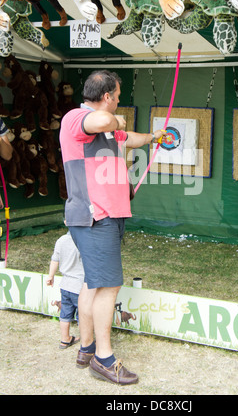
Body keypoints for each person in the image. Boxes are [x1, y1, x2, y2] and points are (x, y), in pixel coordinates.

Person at [59, 70, 166, 385]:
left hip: (107, 215)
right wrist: (116, 120)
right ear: (106, 97)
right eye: (117, 97)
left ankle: (87, 347)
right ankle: (103, 360)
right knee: (108, 286)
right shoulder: (77, 118)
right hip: (96, 216)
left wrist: (152, 138)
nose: (118, 102)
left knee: (93, 283)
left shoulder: (106, 130)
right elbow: (104, 122)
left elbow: (129, 138)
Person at [46, 230, 84, 349]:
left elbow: (54, 260)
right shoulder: (83, 240)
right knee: (83, 316)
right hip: (80, 286)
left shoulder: (61, 240)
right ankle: (86, 343)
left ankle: (65, 339)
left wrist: (50, 276)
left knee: (65, 314)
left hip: (65, 285)